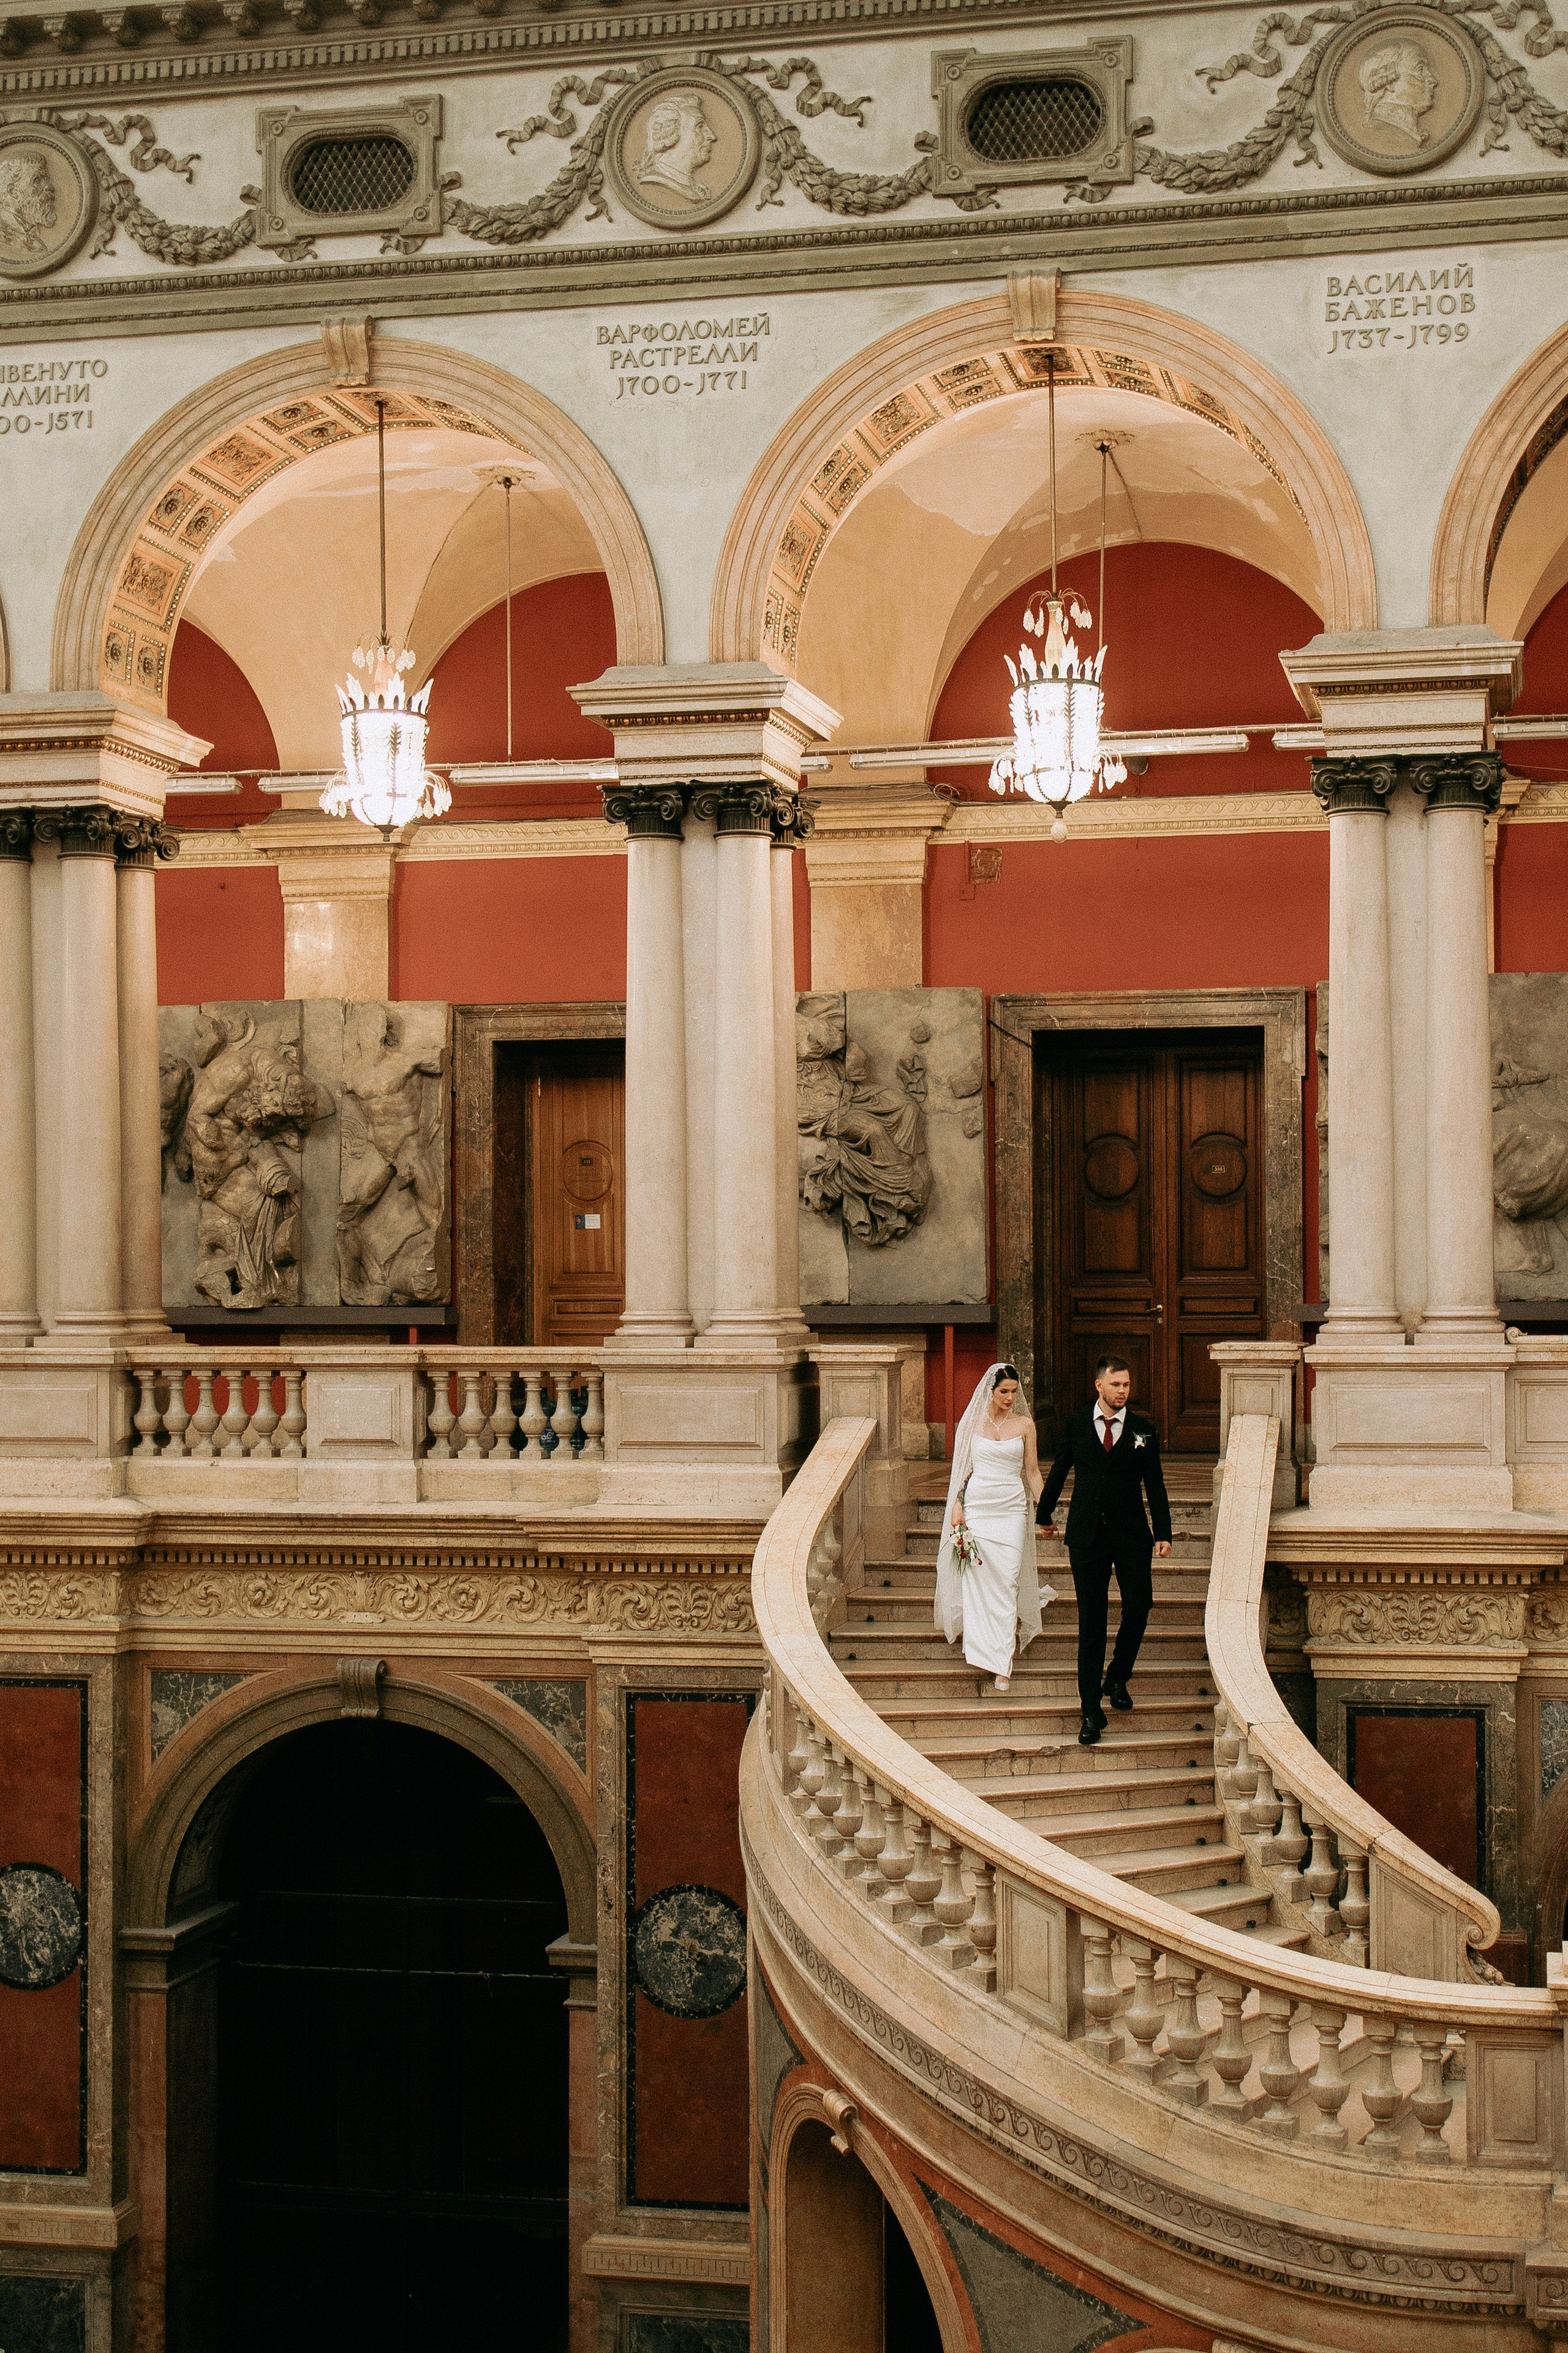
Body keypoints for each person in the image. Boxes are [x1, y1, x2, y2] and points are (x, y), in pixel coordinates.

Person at [1036, 1355, 1171, 1746]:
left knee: (1139, 1607)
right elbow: (1060, 1470)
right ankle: (1090, 1709)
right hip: (1087, 1535)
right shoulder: (1077, 1425)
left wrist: (1163, 1531)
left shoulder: (1142, 1430)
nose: (1123, 1391)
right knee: (1091, 1621)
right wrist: (1044, 1513)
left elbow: (1156, 1484)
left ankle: (1118, 1676)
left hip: (1132, 1535)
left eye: (1127, 1385)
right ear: (1100, 1386)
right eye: (1116, 1385)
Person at [933, 1364, 1054, 1694]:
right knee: (979, 1580)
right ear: (990, 1391)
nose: (1010, 1398)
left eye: (1015, 1392)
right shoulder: (970, 1425)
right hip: (978, 1510)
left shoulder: (1026, 1425)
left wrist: (1044, 1512)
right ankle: (984, 1650)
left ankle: (1002, 1662)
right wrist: (958, 1505)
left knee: (1007, 1580)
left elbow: (1032, 1472)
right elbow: (962, 1472)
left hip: (1012, 1510)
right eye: (1004, 1392)